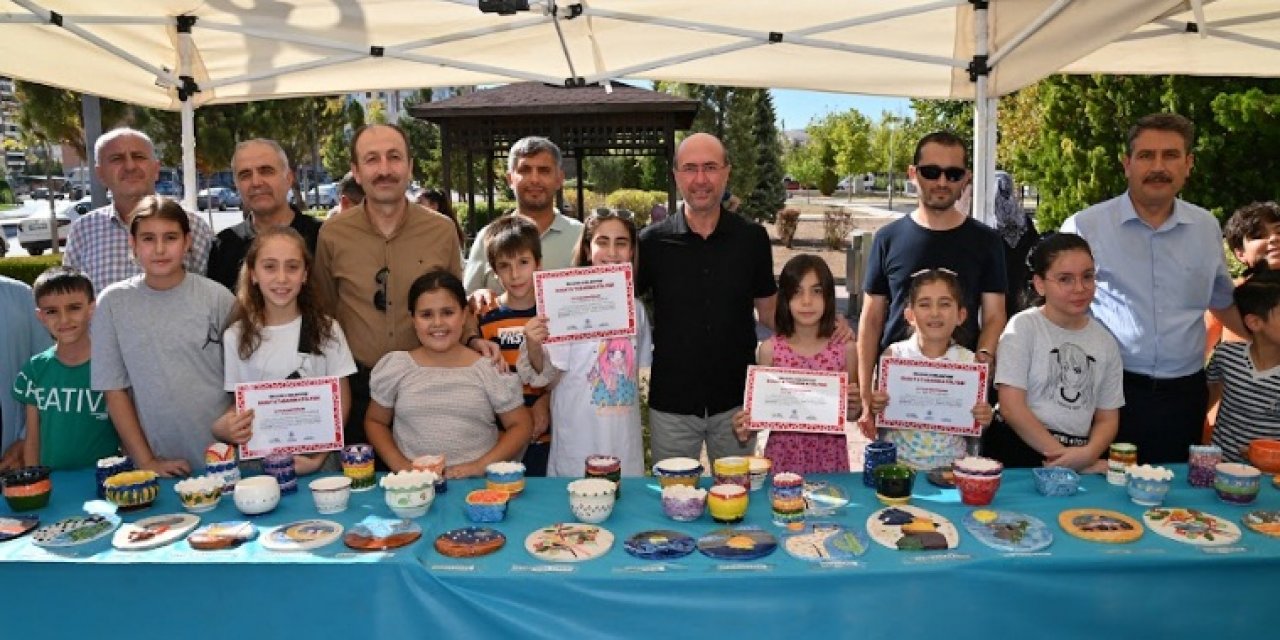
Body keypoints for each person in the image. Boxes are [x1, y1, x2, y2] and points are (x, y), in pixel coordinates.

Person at [1060, 113, 1244, 464]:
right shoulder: (1085, 226)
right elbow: (1057, 308)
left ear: (1188, 164)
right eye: (1146, 156)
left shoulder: (1205, 227)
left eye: (1171, 155)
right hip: (1107, 393)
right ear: (1126, 164)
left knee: (1171, 502)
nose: (1158, 166)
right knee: (1104, 505)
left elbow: (1221, 301)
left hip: (1184, 396)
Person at [312, 123, 474, 452]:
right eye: (372, 160)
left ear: (410, 167)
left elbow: (456, 303)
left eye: (394, 157)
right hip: (357, 387)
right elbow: (324, 309)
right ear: (356, 172)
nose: (384, 169)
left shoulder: (441, 231)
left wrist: (473, 340)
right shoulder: (332, 234)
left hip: (427, 383)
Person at [638, 132, 778, 463]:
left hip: (736, 404)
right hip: (672, 402)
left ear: (727, 172)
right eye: (690, 168)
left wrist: (828, 328)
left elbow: (772, 315)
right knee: (671, 501)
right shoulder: (650, 243)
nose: (701, 179)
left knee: (737, 503)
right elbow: (614, 304)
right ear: (676, 176)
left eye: (711, 167)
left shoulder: (752, 239)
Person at [857, 131, 1006, 429]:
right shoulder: (887, 239)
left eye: (952, 174)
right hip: (897, 396)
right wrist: (865, 399)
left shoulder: (987, 241)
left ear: (966, 178)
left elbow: (995, 315)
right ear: (913, 174)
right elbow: (871, 319)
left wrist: (983, 359)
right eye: (931, 172)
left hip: (959, 396)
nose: (941, 182)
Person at [92, 196, 235, 475]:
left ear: (188, 242)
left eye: (170, 237)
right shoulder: (112, 303)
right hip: (160, 462)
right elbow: (114, 390)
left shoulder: (217, 298)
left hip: (226, 458)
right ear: (132, 243)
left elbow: (244, 380)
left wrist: (230, 442)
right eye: (148, 238)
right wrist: (146, 462)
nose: (159, 249)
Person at [212, 227, 357, 475]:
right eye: (270, 267)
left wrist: (317, 459)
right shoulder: (236, 336)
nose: (282, 278)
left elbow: (341, 401)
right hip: (259, 463)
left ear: (305, 275)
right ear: (254, 274)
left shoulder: (327, 329)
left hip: (318, 462)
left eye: (292, 267)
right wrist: (223, 427)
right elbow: (239, 404)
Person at [519, 210, 653, 476]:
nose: (612, 252)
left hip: (624, 447)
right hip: (576, 446)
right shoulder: (563, 302)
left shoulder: (636, 310)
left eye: (621, 243)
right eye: (602, 242)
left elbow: (641, 376)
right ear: (588, 249)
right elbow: (548, 377)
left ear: (632, 252)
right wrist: (534, 345)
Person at [365, 270, 532, 478]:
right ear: (413, 320)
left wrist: (479, 466)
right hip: (412, 489)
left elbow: (520, 425)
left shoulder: (488, 369)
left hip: (477, 488)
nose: (438, 323)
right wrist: (401, 466)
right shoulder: (397, 367)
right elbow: (375, 421)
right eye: (426, 314)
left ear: (464, 315)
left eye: (447, 312)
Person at [987, 234, 1123, 472]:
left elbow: (1107, 417)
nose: (1079, 288)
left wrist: (1087, 454)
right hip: (1018, 455)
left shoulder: (1105, 342)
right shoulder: (1023, 327)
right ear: (1040, 284)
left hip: (1078, 455)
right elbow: (1011, 406)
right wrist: (1062, 458)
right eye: (1065, 279)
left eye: (1087, 277)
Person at [730, 255, 859, 474]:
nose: (807, 301)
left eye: (816, 291)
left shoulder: (845, 349)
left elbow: (852, 414)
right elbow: (761, 415)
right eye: (797, 292)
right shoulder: (770, 351)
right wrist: (746, 426)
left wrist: (855, 407)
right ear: (785, 299)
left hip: (829, 458)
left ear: (829, 297)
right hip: (782, 457)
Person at [866, 268, 994, 471]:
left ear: (961, 315)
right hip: (897, 468)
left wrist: (984, 418)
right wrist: (875, 405)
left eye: (944, 304)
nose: (935, 313)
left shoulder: (971, 364)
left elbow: (975, 425)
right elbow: (877, 415)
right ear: (910, 315)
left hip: (952, 470)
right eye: (925, 304)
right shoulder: (894, 356)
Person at [62, 127, 214, 294]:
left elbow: (209, 298)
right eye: (117, 159)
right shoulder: (83, 230)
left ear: (156, 169)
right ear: (100, 174)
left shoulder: (194, 227)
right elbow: (70, 300)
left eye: (138, 157)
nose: (130, 166)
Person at [473, 215, 553, 476]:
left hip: (547, 436)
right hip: (500, 439)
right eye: (504, 266)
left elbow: (567, 371)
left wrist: (547, 402)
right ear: (494, 272)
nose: (515, 274)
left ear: (538, 264)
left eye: (523, 262)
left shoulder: (553, 314)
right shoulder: (486, 316)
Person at [463, 136, 584, 295]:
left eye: (544, 170)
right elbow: (467, 301)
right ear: (510, 179)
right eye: (525, 170)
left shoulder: (580, 235)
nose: (534, 179)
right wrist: (476, 298)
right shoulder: (487, 238)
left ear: (559, 179)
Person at [12, 269, 104, 469]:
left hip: (106, 481)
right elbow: (33, 437)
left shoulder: (111, 364)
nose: (64, 319)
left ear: (91, 308)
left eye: (74, 308)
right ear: (40, 316)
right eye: (52, 311)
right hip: (53, 484)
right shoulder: (34, 370)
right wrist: (33, 479)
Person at [206, 139, 323, 291]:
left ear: (289, 178)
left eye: (266, 171)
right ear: (237, 185)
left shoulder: (322, 238)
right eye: (245, 175)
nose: (256, 182)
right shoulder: (224, 246)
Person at [1207, 270, 1280, 463]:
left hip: (1271, 481)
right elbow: (1205, 402)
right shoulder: (1226, 357)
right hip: (1220, 472)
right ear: (1254, 322)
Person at [1206, 202, 1280, 352]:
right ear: (1240, 253)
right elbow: (1196, 351)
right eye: (1258, 236)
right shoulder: (1227, 295)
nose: (1274, 239)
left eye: (1279, 232)